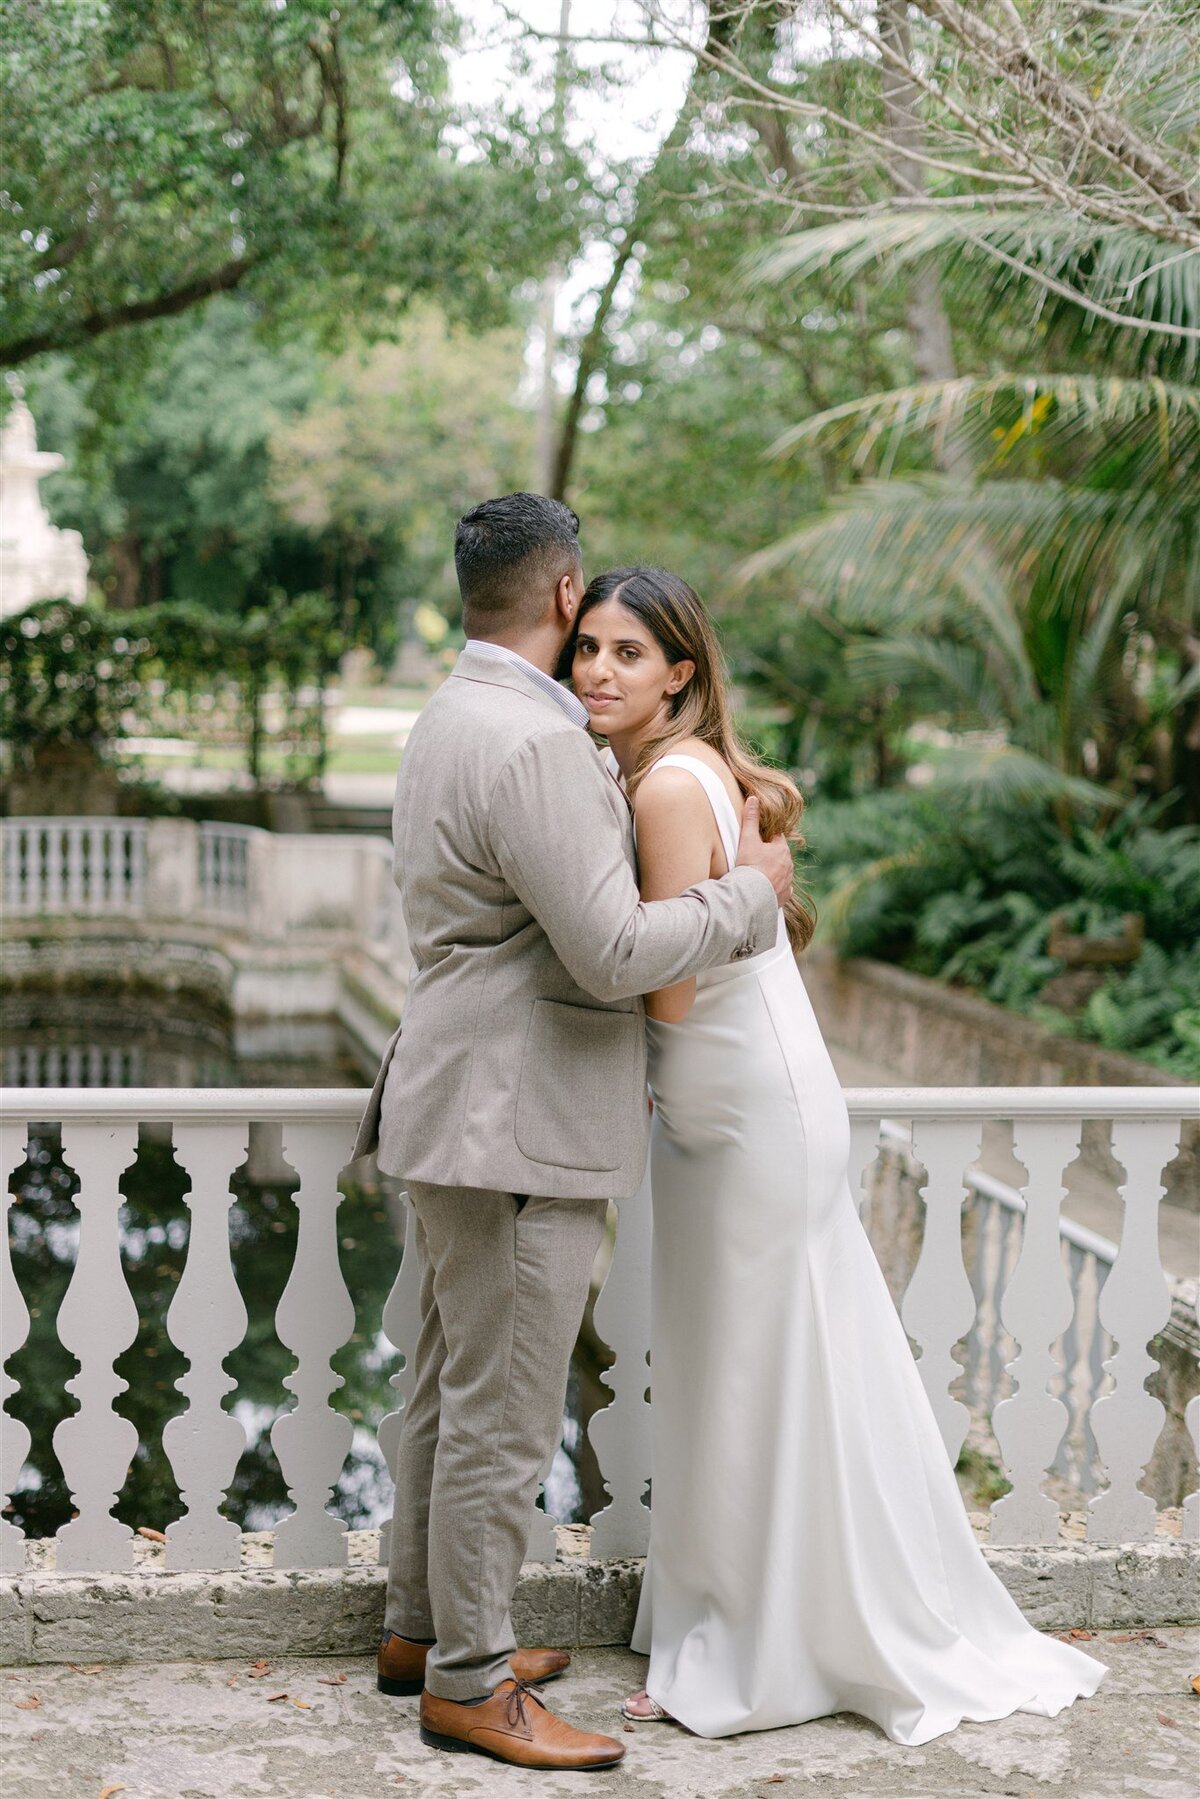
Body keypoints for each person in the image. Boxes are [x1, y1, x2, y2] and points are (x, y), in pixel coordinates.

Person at [567, 564, 1107, 1746]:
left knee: (744, 1371)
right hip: (767, 1087)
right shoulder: (707, 771)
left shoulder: (665, 789)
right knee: (769, 1360)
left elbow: (664, 993)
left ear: (681, 673)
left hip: (730, 1099)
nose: (598, 671)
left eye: (626, 653)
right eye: (587, 649)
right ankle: (747, 1614)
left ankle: (752, 1641)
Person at [351, 496, 795, 1772]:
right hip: (516, 1117)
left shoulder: (448, 712)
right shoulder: (536, 743)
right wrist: (745, 901)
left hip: (458, 1101)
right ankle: (472, 1681)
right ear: (563, 594)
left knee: (445, 1378)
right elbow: (610, 955)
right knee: (502, 1402)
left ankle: (421, 1628)